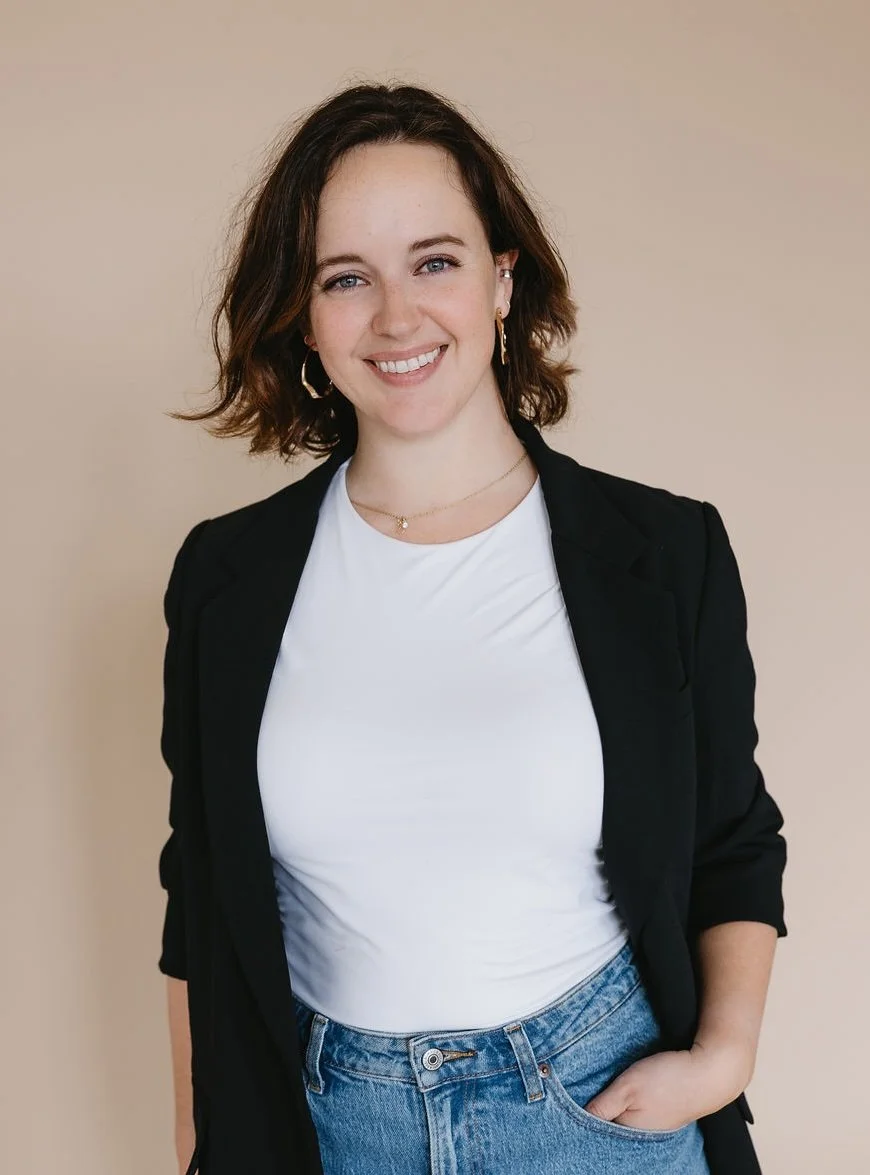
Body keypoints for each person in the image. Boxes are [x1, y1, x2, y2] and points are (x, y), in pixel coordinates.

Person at [158, 82, 787, 1175]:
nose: (397, 316)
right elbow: (201, 893)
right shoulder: (228, 578)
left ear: (504, 279)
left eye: (435, 261)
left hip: (600, 1105)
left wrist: (722, 1057)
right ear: (304, 318)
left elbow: (733, 844)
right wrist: (203, 1143)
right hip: (331, 1124)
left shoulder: (665, 553)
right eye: (346, 278)